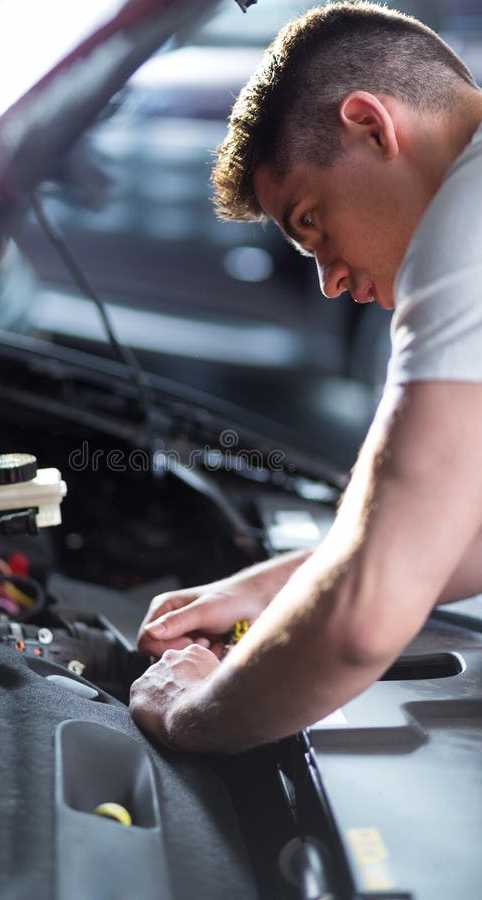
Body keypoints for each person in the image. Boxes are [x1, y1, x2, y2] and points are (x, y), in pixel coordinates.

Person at [129, 0, 482, 752]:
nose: (326, 280)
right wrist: (265, 585)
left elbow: (363, 622)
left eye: (310, 223)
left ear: (370, 125)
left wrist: (187, 710)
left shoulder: (468, 219)